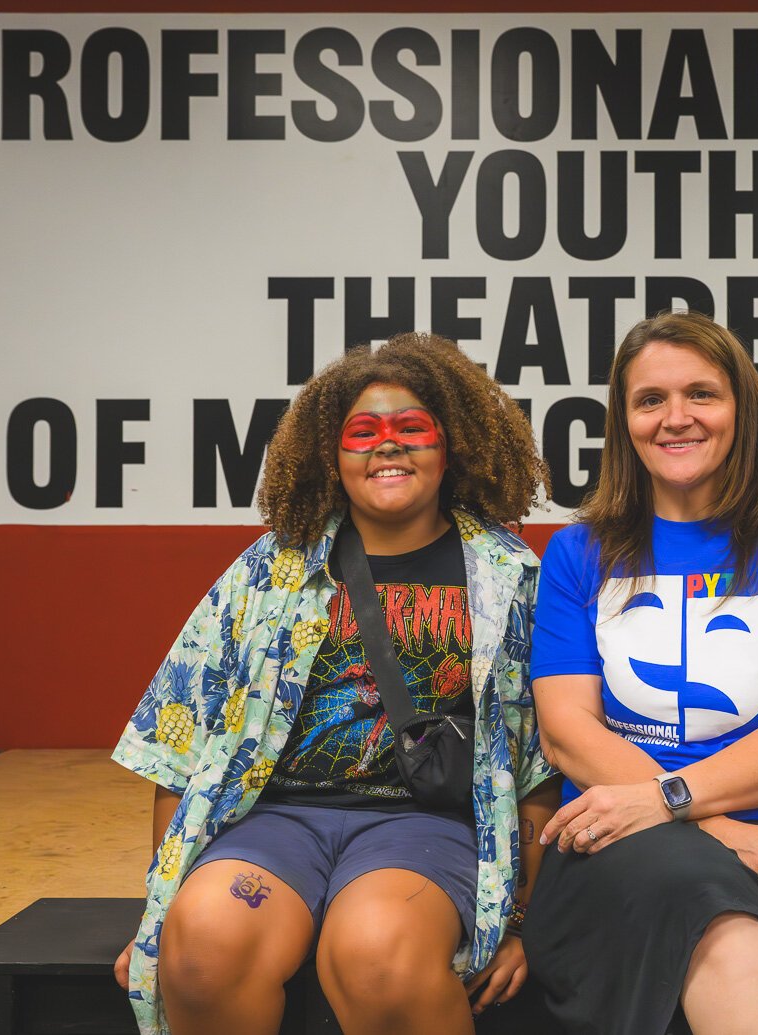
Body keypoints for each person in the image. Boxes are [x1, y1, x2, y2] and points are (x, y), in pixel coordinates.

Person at [110, 333, 560, 1035]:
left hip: (426, 827)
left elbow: (539, 762)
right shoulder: (270, 570)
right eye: (364, 433)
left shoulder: (508, 578)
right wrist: (160, 906)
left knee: (379, 954)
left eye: (412, 428)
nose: (388, 446)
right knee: (201, 949)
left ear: (453, 446)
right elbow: (181, 745)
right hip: (274, 823)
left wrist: (524, 922)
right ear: (334, 454)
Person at [524, 311, 758, 1035]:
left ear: (741, 409)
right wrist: (709, 821)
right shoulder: (577, 552)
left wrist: (678, 803)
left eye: (701, 394)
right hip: (612, 841)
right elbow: (565, 732)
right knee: (717, 922)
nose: (675, 417)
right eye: (651, 399)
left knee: (732, 938)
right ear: (625, 421)